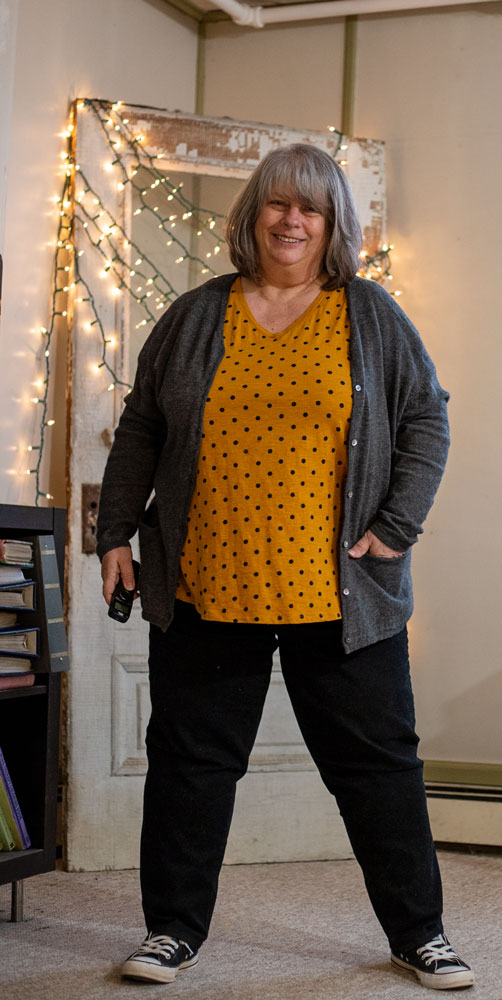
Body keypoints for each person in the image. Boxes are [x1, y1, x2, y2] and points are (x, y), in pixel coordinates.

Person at [97, 143, 474, 991]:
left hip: (338, 595)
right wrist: (115, 532)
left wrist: (395, 528)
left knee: (378, 768)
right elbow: (142, 430)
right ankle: (172, 933)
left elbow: (426, 421)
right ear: (252, 216)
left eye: (310, 206)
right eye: (276, 203)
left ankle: (421, 934)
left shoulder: (369, 314)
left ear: (332, 222)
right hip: (205, 583)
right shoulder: (197, 315)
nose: (291, 219)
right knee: (191, 766)